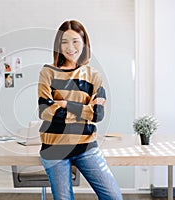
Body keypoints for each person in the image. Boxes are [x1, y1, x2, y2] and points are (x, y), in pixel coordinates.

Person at [37, 20, 122, 200]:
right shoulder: (48, 73)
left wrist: (66, 104)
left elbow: (98, 114)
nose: (70, 47)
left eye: (75, 41)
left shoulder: (94, 76)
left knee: (114, 197)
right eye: (64, 42)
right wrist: (85, 110)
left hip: (86, 147)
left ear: (84, 43)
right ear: (58, 46)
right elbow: (45, 111)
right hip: (55, 149)